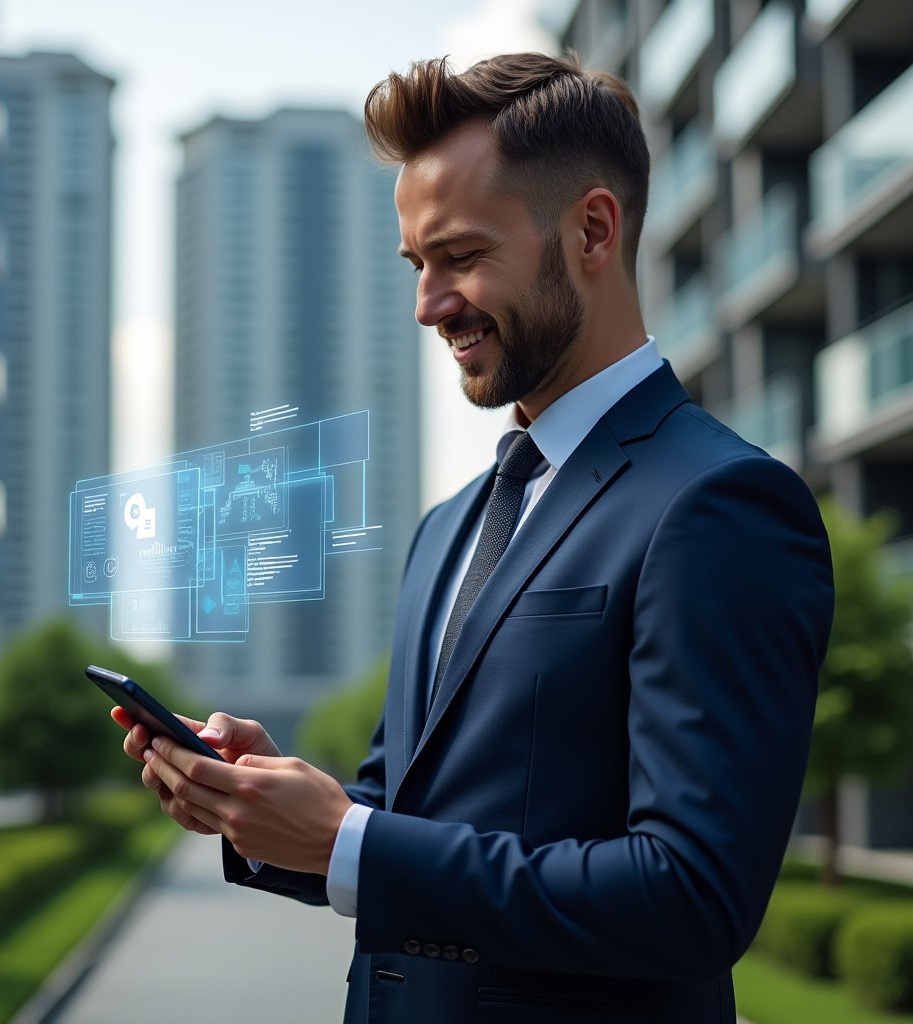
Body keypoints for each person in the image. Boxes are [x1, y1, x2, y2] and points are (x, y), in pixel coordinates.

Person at [116, 52, 834, 1023]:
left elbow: (690, 896)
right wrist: (264, 808)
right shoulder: (447, 527)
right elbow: (395, 811)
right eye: (417, 266)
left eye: (459, 256)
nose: (428, 304)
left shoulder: (722, 505)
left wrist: (348, 841)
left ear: (591, 229)